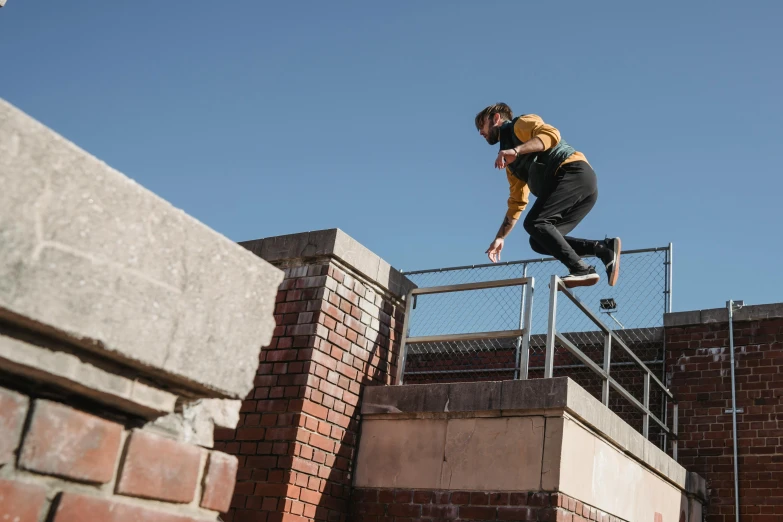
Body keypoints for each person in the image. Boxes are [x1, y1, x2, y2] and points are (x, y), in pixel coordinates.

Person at [475, 103, 621, 288]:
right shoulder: (510, 164)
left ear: (496, 118)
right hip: (576, 190)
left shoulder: (521, 124)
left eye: (481, 125)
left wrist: (516, 150)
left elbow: (551, 135)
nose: (480, 132)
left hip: (573, 173)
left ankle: (582, 270)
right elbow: (517, 202)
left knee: (536, 223)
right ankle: (602, 249)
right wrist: (500, 237)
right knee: (539, 241)